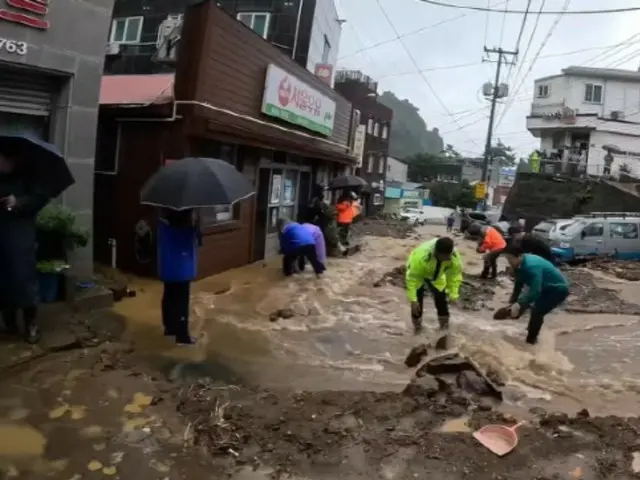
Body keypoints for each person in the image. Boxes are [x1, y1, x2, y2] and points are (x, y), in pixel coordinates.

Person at [0, 151, 49, 343]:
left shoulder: (28, 178)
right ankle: (10, 324)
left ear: (11, 159)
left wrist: (17, 202)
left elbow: (39, 198)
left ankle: (31, 325)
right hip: (1, 232)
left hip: (20, 234)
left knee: (23, 277)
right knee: (3, 280)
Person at [502, 245, 569, 345]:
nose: (509, 262)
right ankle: (530, 331)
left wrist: (519, 304)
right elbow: (518, 284)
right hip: (544, 287)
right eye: (507, 259)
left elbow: (535, 291)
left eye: (511, 259)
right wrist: (512, 302)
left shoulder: (531, 266)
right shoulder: (521, 264)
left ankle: (531, 342)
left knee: (537, 312)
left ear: (519, 256)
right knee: (526, 305)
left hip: (558, 289)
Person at [158, 208, 201, 345]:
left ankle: (169, 328)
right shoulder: (188, 229)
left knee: (169, 296)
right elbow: (198, 242)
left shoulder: (163, 226)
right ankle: (182, 336)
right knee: (182, 302)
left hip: (168, 268)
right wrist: (198, 223)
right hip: (182, 270)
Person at [405, 237, 463, 333]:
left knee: (441, 299)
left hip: (437, 276)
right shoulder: (420, 257)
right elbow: (412, 278)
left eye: (448, 256)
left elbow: (454, 276)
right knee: (417, 305)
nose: (447, 259)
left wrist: (453, 294)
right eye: (444, 257)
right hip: (419, 273)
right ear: (436, 252)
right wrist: (413, 300)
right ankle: (417, 329)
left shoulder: (453, 257)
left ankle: (444, 329)